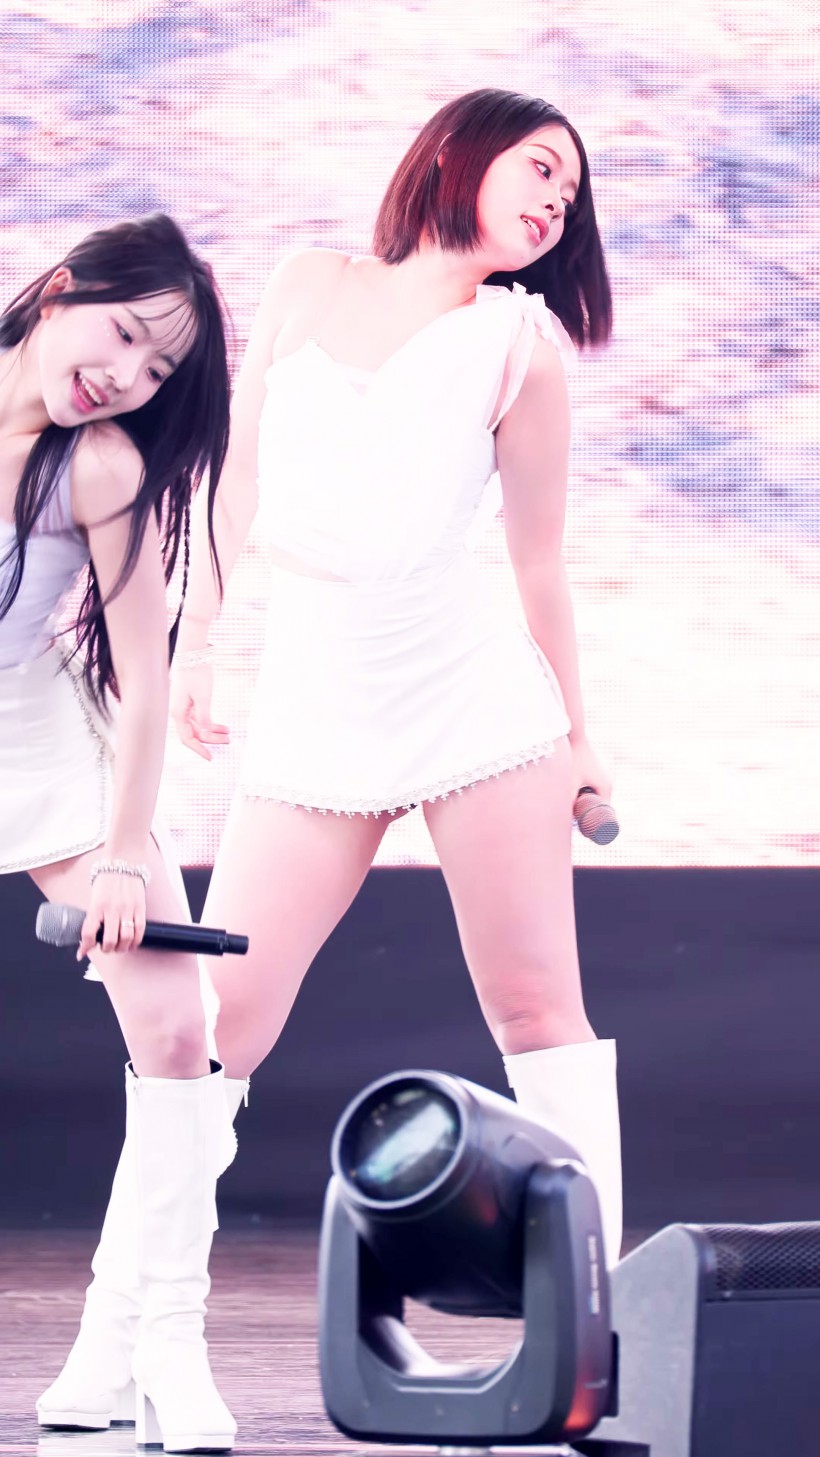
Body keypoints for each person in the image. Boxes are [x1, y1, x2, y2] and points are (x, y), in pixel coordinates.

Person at [49, 86, 621, 1443]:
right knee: (213, 1034)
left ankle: (608, 1346)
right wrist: (198, 644)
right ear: (458, 154)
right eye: (540, 168)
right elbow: (236, 485)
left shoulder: (522, 343)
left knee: (538, 1010)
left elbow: (539, 563)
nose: (556, 201)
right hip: (320, 698)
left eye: (571, 192)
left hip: (476, 696)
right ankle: (115, 1336)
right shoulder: (308, 280)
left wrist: (580, 736)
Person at [0, 214, 240, 1452]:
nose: (128, 376)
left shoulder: (95, 465)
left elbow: (144, 678)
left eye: (158, 370)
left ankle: (165, 1345)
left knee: (176, 1024)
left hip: (35, 737)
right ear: (62, 289)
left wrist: (127, 852)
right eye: (128, 334)